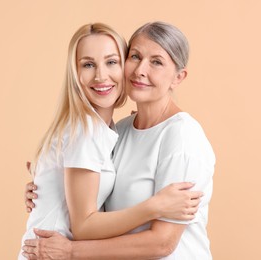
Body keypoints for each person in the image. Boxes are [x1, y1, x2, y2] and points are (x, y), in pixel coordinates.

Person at [19, 22, 204, 260]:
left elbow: (163, 243)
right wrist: (155, 206)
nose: (140, 70)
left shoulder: (169, 134)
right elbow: (85, 222)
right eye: (135, 57)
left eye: (111, 62)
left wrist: (52, 184)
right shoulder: (97, 131)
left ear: (178, 77)